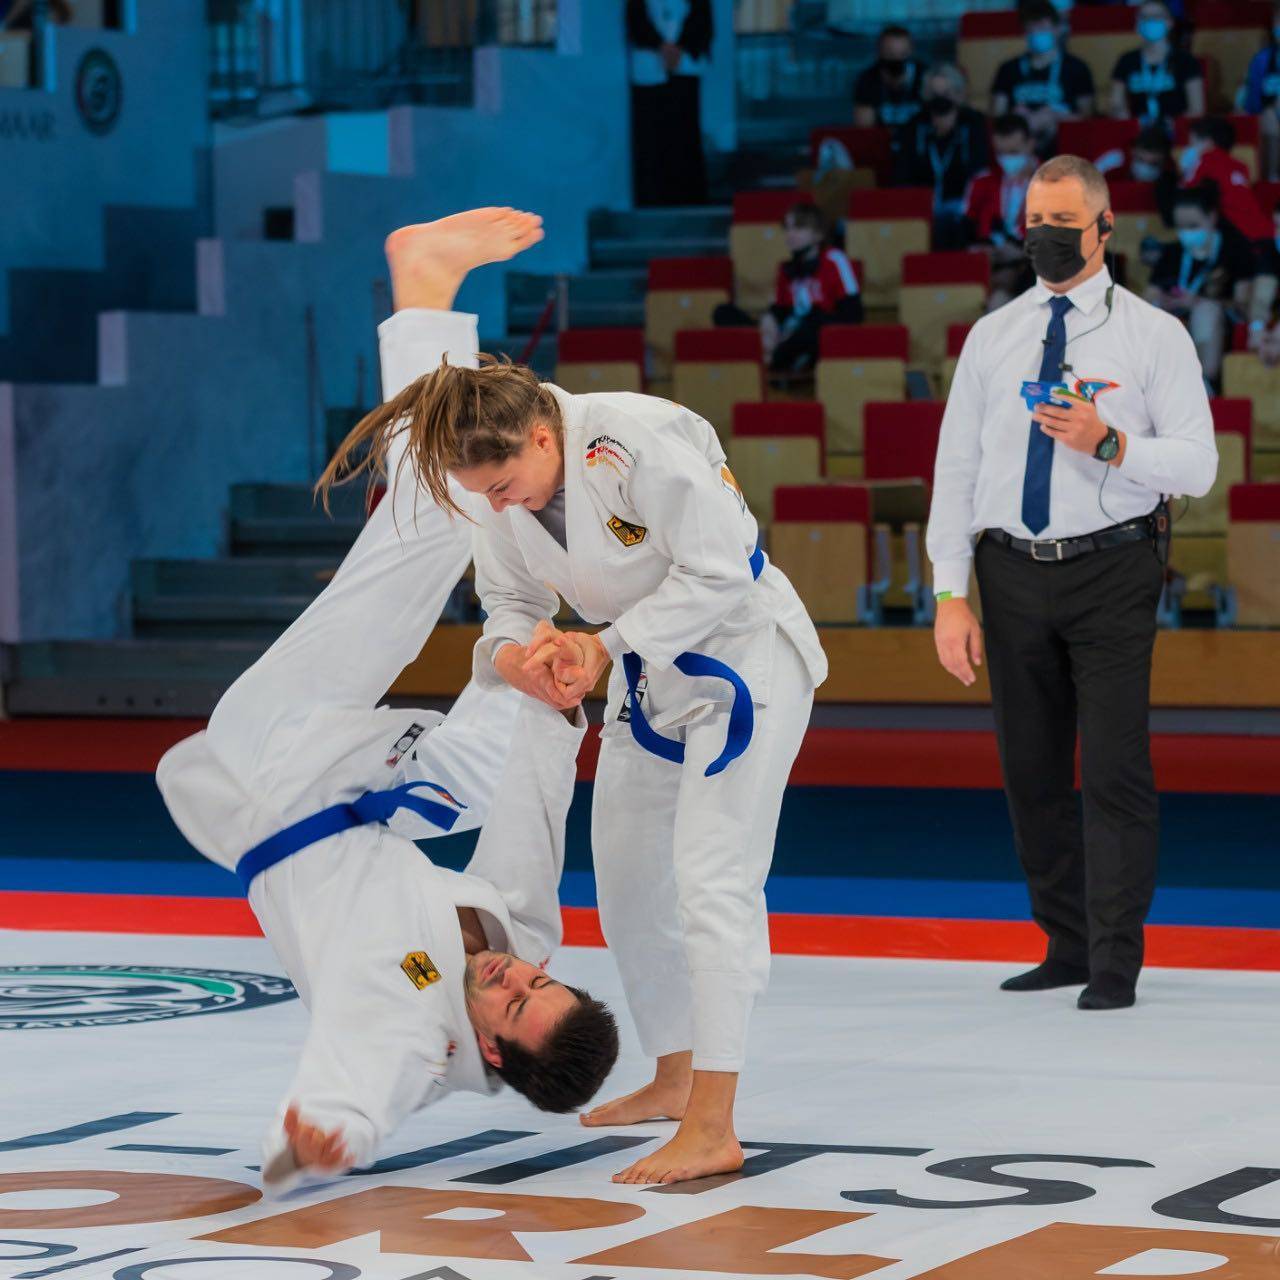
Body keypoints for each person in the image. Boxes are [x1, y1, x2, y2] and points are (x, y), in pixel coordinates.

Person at [156, 209, 620, 1194]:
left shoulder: (415, 1029)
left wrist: (318, 1139)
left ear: (486, 1052)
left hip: (268, 777)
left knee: (432, 541)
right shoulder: (521, 942)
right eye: (537, 981)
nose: (513, 975)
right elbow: (534, 820)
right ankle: (522, 666)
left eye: (511, 1003)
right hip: (359, 783)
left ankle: (425, 293)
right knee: (488, 748)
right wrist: (548, 707)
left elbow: (367, 1082)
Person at [326, 298, 828, 1187]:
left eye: (502, 484)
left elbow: (721, 565)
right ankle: (675, 1075)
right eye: (484, 494)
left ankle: (714, 1122)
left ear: (540, 437)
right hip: (644, 673)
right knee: (628, 881)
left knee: (713, 883)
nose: (496, 502)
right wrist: (519, 659)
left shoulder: (631, 439)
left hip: (743, 655)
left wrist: (602, 644)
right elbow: (510, 602)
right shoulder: (502, 486)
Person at [928, 156, 1217, 1012]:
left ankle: (1117, 960)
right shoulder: (993, 336)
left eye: (1062, 224)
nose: (1044, 238)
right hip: (1009, 569)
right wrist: (949, 594)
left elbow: (1198, 465)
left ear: (1104, 228)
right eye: (1034, 224)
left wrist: (1110, 442)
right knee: (1032, 769)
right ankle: (1067, 942)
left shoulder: (1153, 336)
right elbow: (957, 469)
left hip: (1114, 565)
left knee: (1116, 767)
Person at [714, 202, 862, 373]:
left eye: (798, 228)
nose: (790, 235)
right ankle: (772, 356)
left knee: (813, 325)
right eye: (787, 228)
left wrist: (801, 328)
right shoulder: (787, 269)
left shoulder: (835, 260)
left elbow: (853, 315)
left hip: (815, 333)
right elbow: (781, 309)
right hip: (786, 332)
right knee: (723, 312)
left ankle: (772, 358)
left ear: (818, 234)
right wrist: (770, 319)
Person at [1146, 183, 1264, 387]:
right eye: (1180, 227)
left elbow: (1242, 305)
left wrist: (1197, 302)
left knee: (1206, 311)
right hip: (1176, 319)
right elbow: (1149, 296)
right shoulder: (1172, 253)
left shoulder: (1235, 250)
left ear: (1212, 217)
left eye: (1193, 226)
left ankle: (1204, 384)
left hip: (1218, 322)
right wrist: (1161, 301)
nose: (1186, 233)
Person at [893, 63, 992, 249]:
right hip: (922, 205)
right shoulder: (914, 126)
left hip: (961, 205)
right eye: (934, 93)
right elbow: (903, 174)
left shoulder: (974, 123)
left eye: (947, 92)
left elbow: (979, 169)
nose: (941, 99)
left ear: (959, 94)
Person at [627, 0, 712, 207]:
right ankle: (653, 199)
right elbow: (636, 20)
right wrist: (660, 46)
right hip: (649, 73)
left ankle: (688, 199)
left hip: (685, 68)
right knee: (652, 142)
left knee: (685, 138)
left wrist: (679, 48)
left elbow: (702, 19)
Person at [990, 0, 1094, 153]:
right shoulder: (1008, 69)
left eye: (1042, 28)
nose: (1036, 34)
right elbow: (997, 115)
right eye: (1031, 29)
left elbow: (1087, 117)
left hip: (1063, 143)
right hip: (1018, 142)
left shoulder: (1077, 68)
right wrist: (1016, 118)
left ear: (1057, 29)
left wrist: (1056, 116)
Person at [965, 113, 1037, 309]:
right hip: (994, 265)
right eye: (1001, 153)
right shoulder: (981, 182)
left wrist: (1022, 253)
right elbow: (967, 231)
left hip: (1035, 269)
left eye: (1014, 152)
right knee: (995, 301)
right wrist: (980, 249)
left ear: (1030, 145)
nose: (1007, 159)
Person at [1180, 117, 1273, 244]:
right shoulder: (1241, 166)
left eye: (1193, 143)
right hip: (1264, 230)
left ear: (1208, 142)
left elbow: (1185, 193)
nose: (1190, 148)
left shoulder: (1206, 159)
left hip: (1241, 235)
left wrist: (1185, 170)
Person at [1109, 1, 1204, 124]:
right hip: (1138, 131)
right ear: (1137, 23)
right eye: (1145, 17)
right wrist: (1121, 114)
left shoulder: (1186, 60)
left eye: (1156, 16)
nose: (1150, 21)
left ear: (1170, 22)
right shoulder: (1126, 60)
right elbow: (1116, 103)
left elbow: (1197, 108)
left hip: (1176, 131)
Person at [853, 25, 926, 129]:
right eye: (890, 53)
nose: (896, 59)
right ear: (879, 52)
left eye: (902, 53)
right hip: (880, 137)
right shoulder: (867, 80)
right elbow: (864, 129)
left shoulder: (925, 77)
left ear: (911, 51)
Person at [1242, 2, 1280, 181]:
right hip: (1271, 123)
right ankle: (1271, 180)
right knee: (1268, 117)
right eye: (1279, 20)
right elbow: (1253, 105)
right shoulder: (1262, 60)